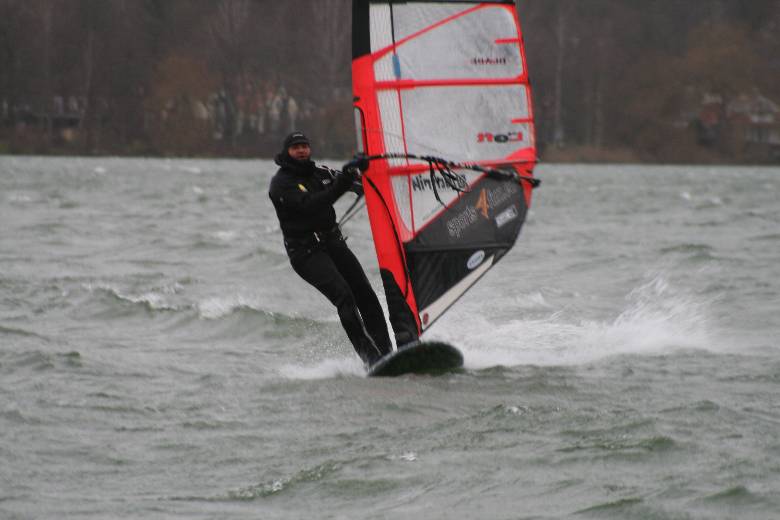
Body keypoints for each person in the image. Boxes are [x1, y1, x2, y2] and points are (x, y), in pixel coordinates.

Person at [268, 131, 392, 367]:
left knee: (365, 294)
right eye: (296, 147)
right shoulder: (281, 184)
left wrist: (365, 172)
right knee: (344, 296)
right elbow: (313, 205)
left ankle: (388, 353)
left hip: (333, 243)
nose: (301, 150)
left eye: (304, 145)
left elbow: (357, 183)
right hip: (305, 253)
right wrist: (343, 182)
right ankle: (371, 359)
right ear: (287, 152)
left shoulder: (320, 172)